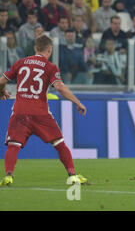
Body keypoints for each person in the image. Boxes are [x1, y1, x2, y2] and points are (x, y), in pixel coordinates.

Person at [0, 34, 88, 186]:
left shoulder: (20, 63)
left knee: (14, 145)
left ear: (35, 48)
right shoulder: (50, 67)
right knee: (59, 143)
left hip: (20, 112)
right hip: (40, 113)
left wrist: (1, 91)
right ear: (50, 49)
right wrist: (77, 102)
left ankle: (8, 175)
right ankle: (72, 175)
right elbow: (60, 87)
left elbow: (2, 81)